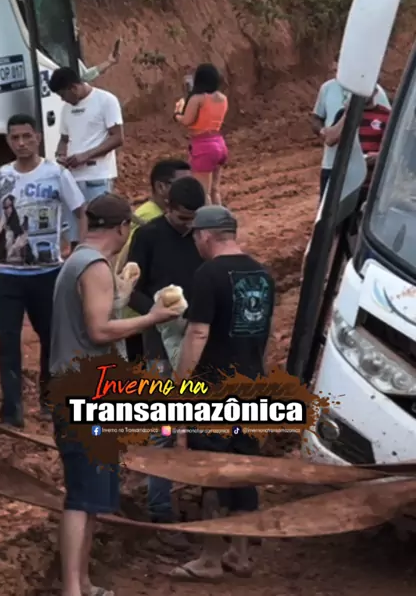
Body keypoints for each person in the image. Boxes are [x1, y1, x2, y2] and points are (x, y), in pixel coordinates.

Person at [49, 194, 185, 596]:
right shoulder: (94, 266)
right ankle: (72, 589)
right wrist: (153, 317)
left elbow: (90, 320)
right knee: (81, 497)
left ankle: (83, 582)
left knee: (90, 495)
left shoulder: (80, 261)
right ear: (122, 228)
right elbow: (98, 331)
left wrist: (120, 299)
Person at [169, 204, 275, 582]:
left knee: (211, 470)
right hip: (252, 385)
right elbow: (264, 335)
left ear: (206, 235)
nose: (195, 242)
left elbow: (198, 333)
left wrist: (180, 388)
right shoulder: (262, 274)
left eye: (196, 236)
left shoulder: (208, 274)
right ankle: (240, 554)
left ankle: (211, 557)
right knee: (245, 469)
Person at [0, 114, 87, 428]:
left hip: (47, 273)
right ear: (9, 141)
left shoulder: (57, 174)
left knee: (51, 339)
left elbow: (80, 211)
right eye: (15, 138)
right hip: (7, 273)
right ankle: (11, 412)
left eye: (26, 136)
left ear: (38, 137)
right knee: (7, 342)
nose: (21, 143)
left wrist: (79, 249)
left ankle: (49, 401)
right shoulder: (0, 177)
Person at [126, 175, 206, 525]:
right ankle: (160, 510)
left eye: (194, 220)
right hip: (159, 340)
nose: (188, 227)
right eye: (182, 219)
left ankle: (203, 498)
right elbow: (131, 290)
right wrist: (158, 313)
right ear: (168, 208)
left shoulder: (204, 235)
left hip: (199, 337)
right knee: (164, 424)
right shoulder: (148, 235)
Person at [116, 158, 191, 362]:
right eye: (182, 184)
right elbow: (129, 269)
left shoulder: (158, 215)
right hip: (141, 321)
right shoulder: (149, 222)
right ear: (161, 187)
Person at [49, 67, 123, 250]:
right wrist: (60, 155)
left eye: (63, 94)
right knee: (75, 233)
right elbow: (64, 139)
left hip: (97, 177)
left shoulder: (106, 100)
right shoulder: (67, 109)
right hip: (73, 179)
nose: (63, 99)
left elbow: (117, 138)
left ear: (73, 88)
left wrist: (85, 156)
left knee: (98, 230)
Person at [311, 60, 390, 200]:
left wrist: (380, 156)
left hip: (369, 177)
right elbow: (326, 132)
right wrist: (347, 113)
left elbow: (392, 141)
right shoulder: (329, 90)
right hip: (335, 167)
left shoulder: (384, 112)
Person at [324, 87, 391, 202]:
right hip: (346, 183)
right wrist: (347, 114)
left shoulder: (386, 115)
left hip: (372, 183)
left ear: (375, 92)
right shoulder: (344, 113)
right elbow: (330, 140)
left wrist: (379, 156)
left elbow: (395, 148)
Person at [174, 63, 228, 205]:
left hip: (203, 146)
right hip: (219, 142)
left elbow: (187, 121)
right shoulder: (222, 98)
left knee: (203, 192)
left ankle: (208, 217)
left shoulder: (198, 99)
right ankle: (219, 216)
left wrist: (177, 113)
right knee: (215, 190)